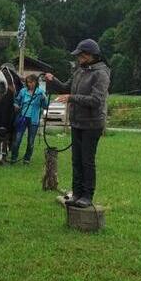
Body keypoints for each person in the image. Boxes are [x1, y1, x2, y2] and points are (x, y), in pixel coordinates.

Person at [43, 39, 111, 207]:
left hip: (92, 124)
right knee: (76, 160)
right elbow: (66, 87)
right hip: (78, 122)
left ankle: (87, 195)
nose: (78, 58)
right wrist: (53, 80)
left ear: (90, 55)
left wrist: (71, 98)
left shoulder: (101, 73)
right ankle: (77, 193)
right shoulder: (80, 71)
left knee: (87, 161)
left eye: (80, 55)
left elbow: (96, 100)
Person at [11, 74, 48, 164]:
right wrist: (16, 106)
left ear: (36, 82)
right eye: (28, 82)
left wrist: (44, 99)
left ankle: (27, 159)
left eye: (32, 82)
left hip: (33, 120)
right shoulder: (23, 91)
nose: (30, 84)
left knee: (31, 141)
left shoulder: (40, 92)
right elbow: (16, 101)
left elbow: (45, 106)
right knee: (17, 139)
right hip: (22, 118)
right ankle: (13, 158)